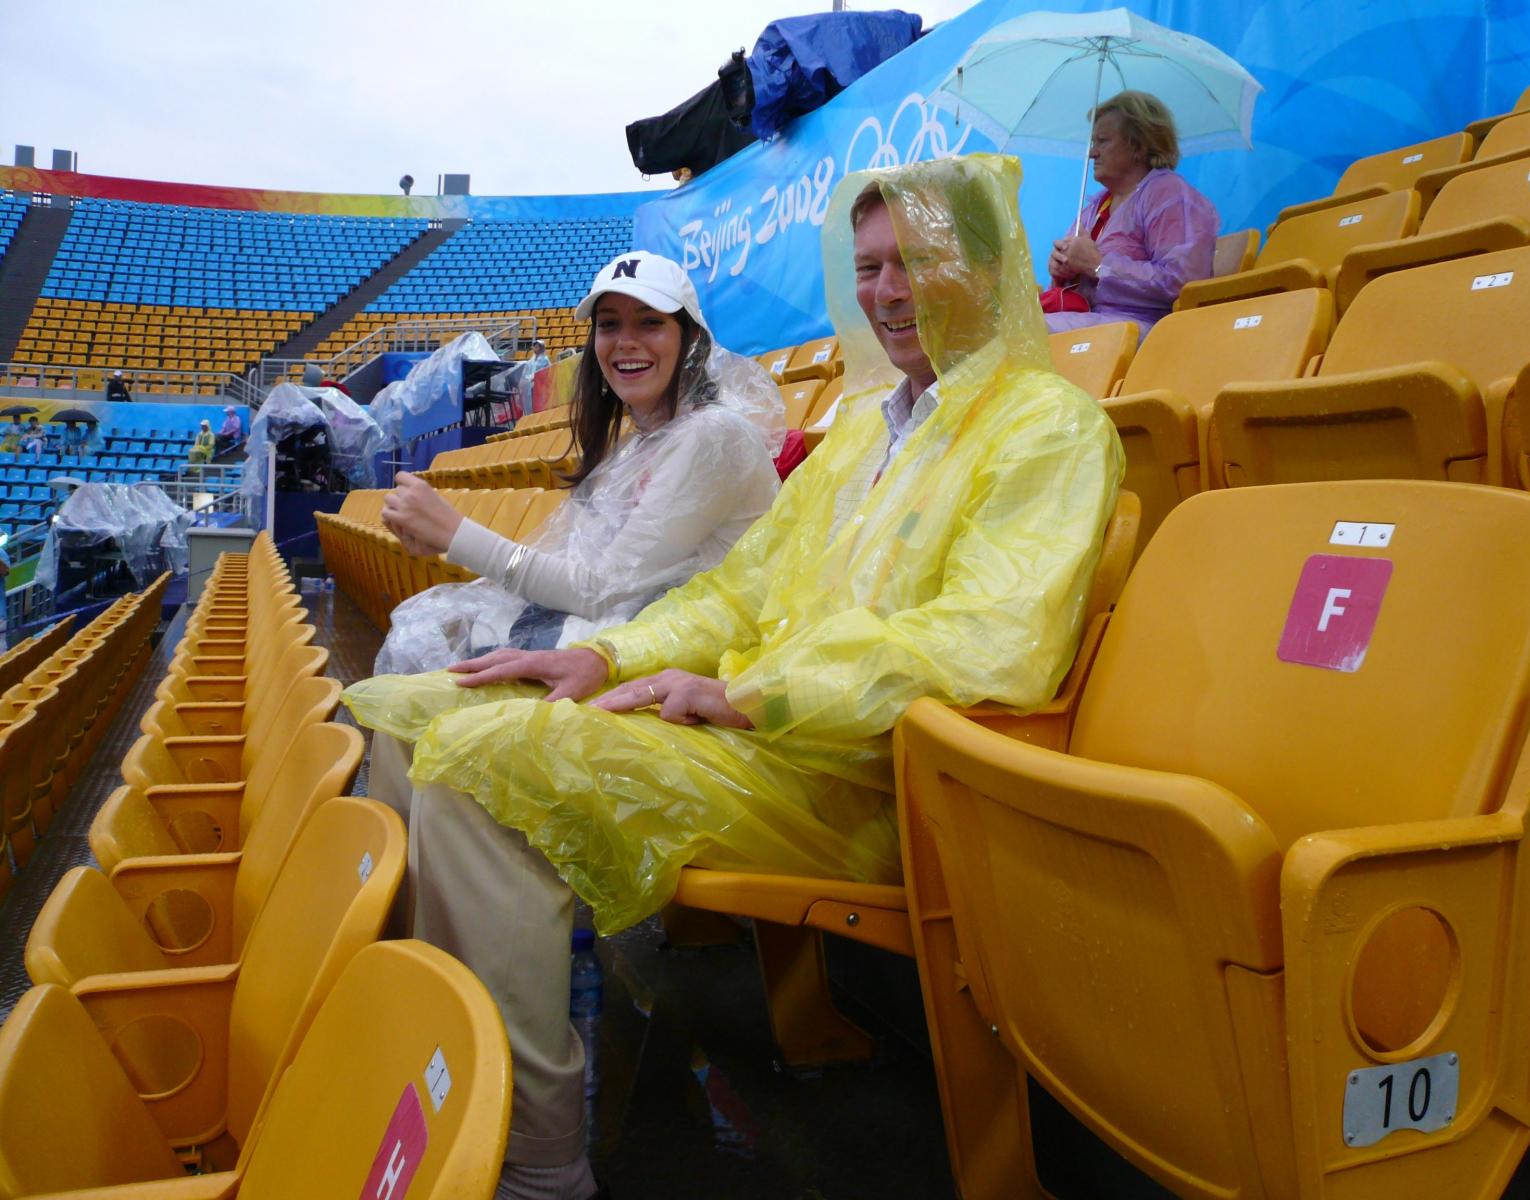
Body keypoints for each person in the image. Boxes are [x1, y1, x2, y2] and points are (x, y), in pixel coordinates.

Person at [344, 153, 1120, 1200]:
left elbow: (983, 646)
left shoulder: (1048, 428)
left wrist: (750, 697)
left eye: (913, 262)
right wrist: (605, 653)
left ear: (983, 266)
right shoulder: (862, 435)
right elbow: (740, 594)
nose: (885, 292)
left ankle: (532, 1155)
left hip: (861, 777)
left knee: (469, 769)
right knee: (411, 713)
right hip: (760, 741)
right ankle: (418, 1044)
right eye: (869, 266)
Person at [373, 252, 783, 676]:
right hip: (635, 646)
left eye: (650, 322)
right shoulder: (631, 447)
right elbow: (580, 569)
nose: (625, 340)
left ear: (690, 341)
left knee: (422, 685)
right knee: (432, 642)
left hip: (689, 670)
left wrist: (453, 533)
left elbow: (600, 589)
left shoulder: (714, 436)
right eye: (608, 324)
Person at [1040, 90, 1220, 338]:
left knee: (1029, 335)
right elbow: (1071, 288)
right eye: (1093, 143)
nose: (1092, 152)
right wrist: (1062, 270)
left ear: (1139, 146)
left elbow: (1185, 284)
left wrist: (1097, 265)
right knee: (1008, 326)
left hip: (1147, 329)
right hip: (1089, 320)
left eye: (1102, 141)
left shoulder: (1170, 195)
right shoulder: (1095, 207)